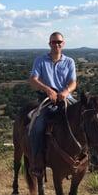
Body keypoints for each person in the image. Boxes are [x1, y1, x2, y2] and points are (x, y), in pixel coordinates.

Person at [28, 32, 77, 176]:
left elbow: (73, 82)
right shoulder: (40, 60)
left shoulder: (69, 62)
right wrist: (48, 90)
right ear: (49, 44)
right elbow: (33, 79)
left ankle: (88, 156)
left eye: (59, 42)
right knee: (38, 126)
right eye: (54, 42)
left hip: (65, 97)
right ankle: (36, 161)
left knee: (84, 118)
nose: (57, 44)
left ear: (63, 43)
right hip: (47, 99)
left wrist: (66, 91)